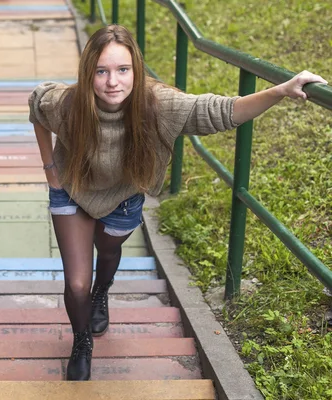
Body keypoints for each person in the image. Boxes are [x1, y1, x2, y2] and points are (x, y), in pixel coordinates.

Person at [28, 24, 327, 381]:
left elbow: (224, 111)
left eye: (123, 70)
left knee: (107, 253)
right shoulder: (68, 103)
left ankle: (102, 292)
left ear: (136, 70)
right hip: (72, 187)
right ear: (87, 72)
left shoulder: (160, 105)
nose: (113, 82)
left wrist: (280, 90)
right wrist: (49, 166)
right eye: (101, 71)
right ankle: (81, 342)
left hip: (123, 196)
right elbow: (36, 106)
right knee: (77, 282)